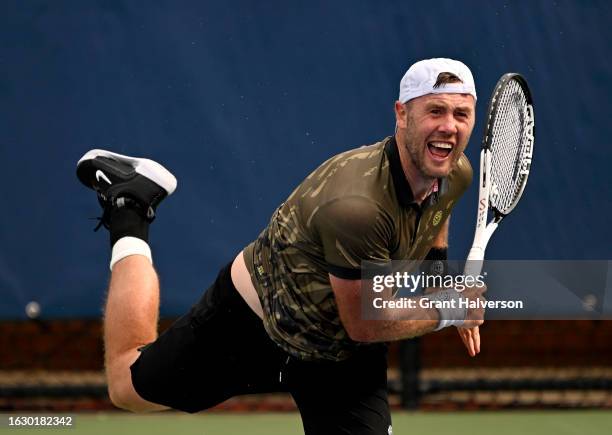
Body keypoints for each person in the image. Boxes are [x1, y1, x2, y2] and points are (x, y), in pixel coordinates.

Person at [76, 58, 486, 434]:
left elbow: (437, 214)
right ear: (402, 115)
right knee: (126, 384)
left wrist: (437, 282)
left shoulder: (455, 170)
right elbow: (366, 322)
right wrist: (448, 309)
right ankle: (129, 207)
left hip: (337, 352)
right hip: (255, 323)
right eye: (435, 111)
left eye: (460, 114)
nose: (449, 126)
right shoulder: (357, 206)